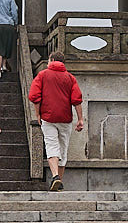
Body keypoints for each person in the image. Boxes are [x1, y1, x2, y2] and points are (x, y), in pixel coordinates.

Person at [27, 50, 85, 191]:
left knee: (51, 145)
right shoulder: (70, 78)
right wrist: (80, 119)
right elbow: (76, 100)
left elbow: (35, 96)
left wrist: (38, 114)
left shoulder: (42, 75)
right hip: (65, 119)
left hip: (48, 117)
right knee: (63, 149)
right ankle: (59, 180)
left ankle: (55, 177)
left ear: (52, 60)